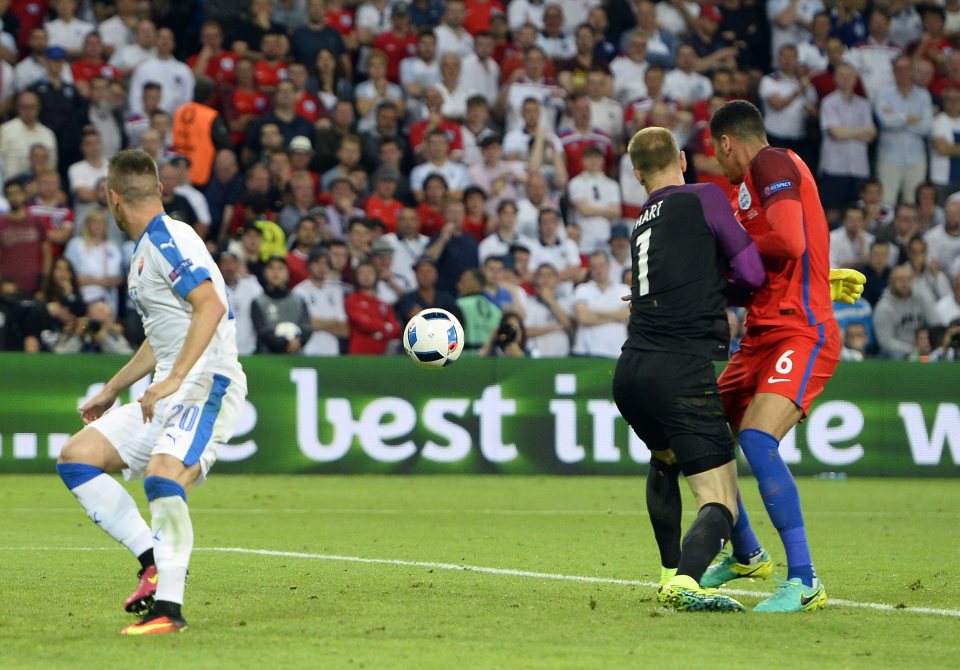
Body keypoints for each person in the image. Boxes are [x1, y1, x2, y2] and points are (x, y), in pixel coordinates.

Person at [55, 149, 248, 635]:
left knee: (163, 479)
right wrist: (113, 389)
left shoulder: (167, 239)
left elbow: (210, 306)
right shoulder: (146, 249)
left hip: (207, 383)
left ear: (111, 198)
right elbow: (164, 333)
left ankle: (169, 610)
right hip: (168, 386)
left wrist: (177, 378)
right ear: (159, 189)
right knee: (77, 457)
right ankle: (151, 559)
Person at [704, 100, 864, 612]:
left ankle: (804, 579)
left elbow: (789, 240)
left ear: (727, 142)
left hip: (801, 331)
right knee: (704, 436)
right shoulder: (742, 191)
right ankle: (746, 551)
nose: (720, 163)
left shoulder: (771, 163)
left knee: (755, 437)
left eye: (717, 152)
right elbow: (755, 269)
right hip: (760, 334)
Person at [613, 127, 765, 612]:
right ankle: (685, 581)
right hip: (681, 369)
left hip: (631, 369)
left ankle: (667, 570)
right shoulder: (704, 196)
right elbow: (754, 274)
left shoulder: (642, 221)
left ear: (637, 174)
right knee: (722, 500)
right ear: (682, 159)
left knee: (666, 460)